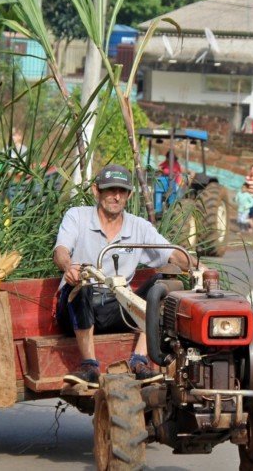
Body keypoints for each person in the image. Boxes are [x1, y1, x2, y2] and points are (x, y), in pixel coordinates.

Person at [53, 164, 196, 387]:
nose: (116, 196)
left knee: (164, 285)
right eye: (110, 190)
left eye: (122, 191)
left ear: (129, 195)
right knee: (83, 282)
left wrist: (199, 267)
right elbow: (61, 250)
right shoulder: (77, 217)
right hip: (75, 307)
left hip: (116, 308)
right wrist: (69, 267)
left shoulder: (139, 226)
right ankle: (90, 366)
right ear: (96, 190)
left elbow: (171, 254)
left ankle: (139, 361)